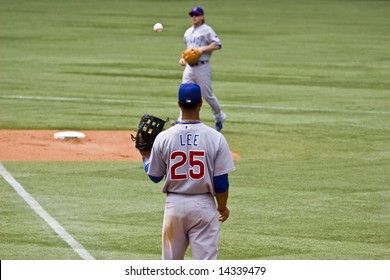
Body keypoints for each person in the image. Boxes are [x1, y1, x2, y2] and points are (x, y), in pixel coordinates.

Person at [139, 83, 236, 260]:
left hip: (174, 206)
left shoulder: (164, 137)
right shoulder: (215, 137)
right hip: (203, 206)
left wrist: (146, 156)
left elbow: (154, 176)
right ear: (201, 103)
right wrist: (222, 207)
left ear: (178, 104)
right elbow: (221, 183)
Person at [179, 6, 226, 131]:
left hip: (203, 67)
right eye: (192, 15)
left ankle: (219, 117)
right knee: (183, 92)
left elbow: (217, 45)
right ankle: (181, 120)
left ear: (202, 17)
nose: (194, 17)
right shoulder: (188, 32)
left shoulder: (207, 30)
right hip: (189, 68)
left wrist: (201, 49)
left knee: (207, 95)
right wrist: (184, 59)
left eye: (197, 14)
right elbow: (188, 51)